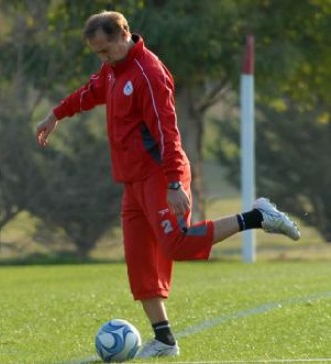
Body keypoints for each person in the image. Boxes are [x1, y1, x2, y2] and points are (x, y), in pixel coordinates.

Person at [35, 10, 300, 358]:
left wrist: (175, 182)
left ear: (123, 35)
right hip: (132, 180)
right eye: (96, 53)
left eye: (105, 50)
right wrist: (56, 114)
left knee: (177, 243)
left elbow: (167, 132)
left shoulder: (149, 74)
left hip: (160, 174)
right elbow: (91, 90)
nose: (102, 57)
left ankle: (256, 216)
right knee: (140, 262)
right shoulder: (113, 71)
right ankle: (164, 340)